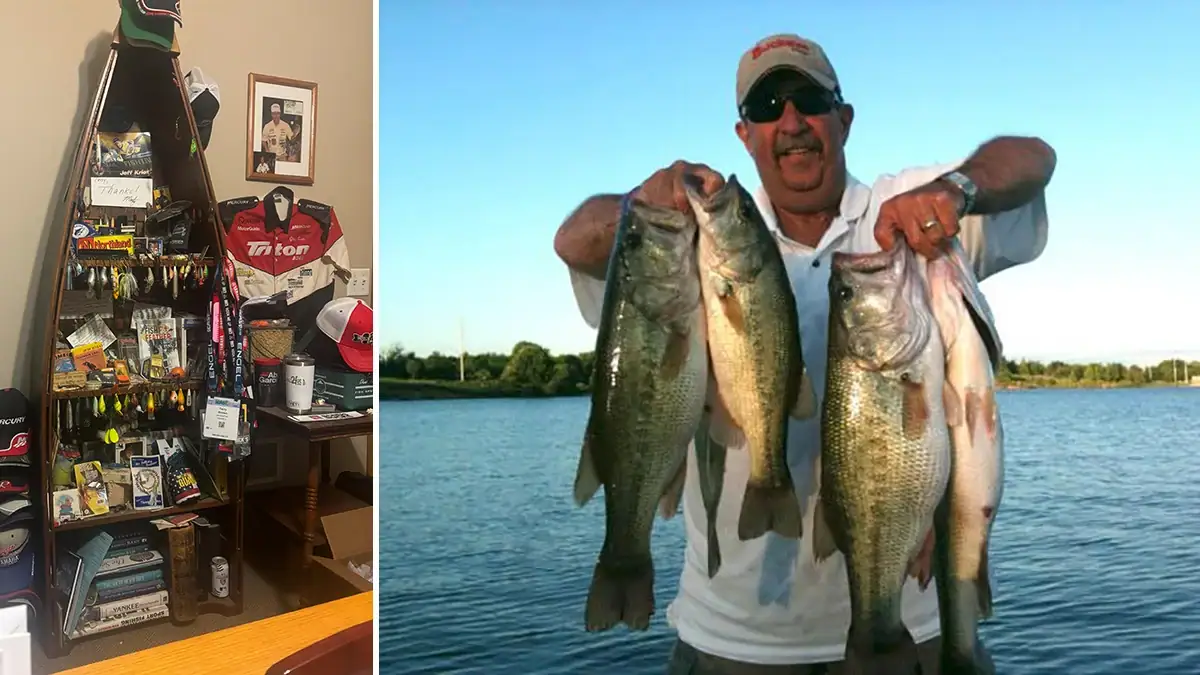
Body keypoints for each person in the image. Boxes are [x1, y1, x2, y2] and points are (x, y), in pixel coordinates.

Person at [552, 33, 1054, 675]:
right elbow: (574, 240)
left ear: (844, 118)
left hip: (916, 630)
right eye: (768, 106)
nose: (790, 121)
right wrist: (640, 205)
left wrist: (957, 189)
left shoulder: (908, 211)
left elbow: (1033, 157)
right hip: (730, 641)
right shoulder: (706, 235)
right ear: (744, 134)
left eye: (810, 100)